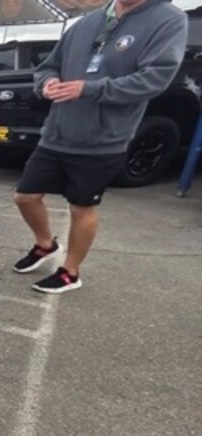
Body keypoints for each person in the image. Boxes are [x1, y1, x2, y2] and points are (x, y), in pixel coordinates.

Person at [12, 0, 188, 293]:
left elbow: (155, 79)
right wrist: (46, 83)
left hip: (103, 139)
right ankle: (46, 245)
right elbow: (47, 67)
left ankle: (70, 272)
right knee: (25, 196)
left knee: (82, 207)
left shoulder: (168, 19)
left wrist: (89, 88)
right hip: (57, 132)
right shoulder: (85, 22)